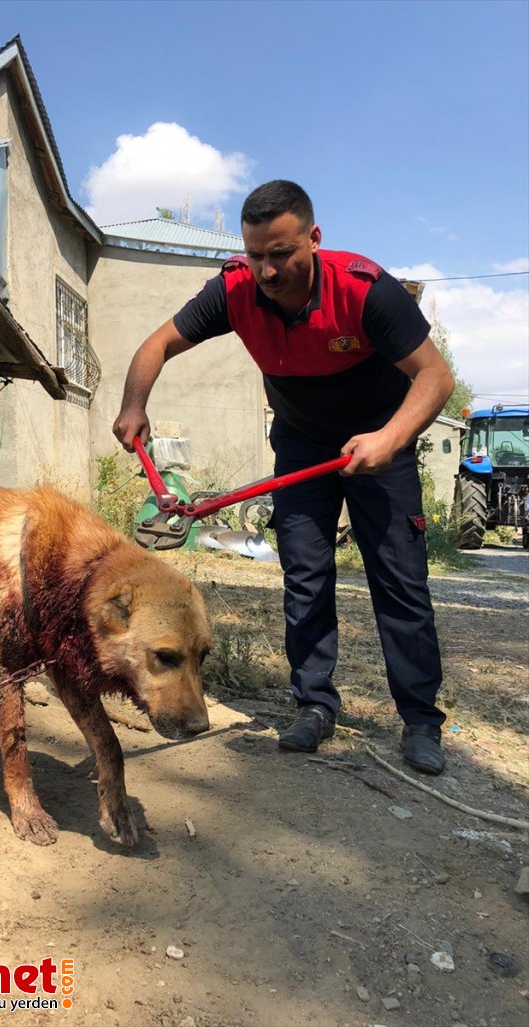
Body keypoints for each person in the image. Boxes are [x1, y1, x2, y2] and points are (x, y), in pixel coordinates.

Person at [113, 180, 455, 775]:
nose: (268, 270)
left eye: (281, 253)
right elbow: (156, 344)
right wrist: (133, 406)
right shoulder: (233, 292)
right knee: (304, 575)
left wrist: (389, 439)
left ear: (314, 239)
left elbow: (435, 377)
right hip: (302, 445)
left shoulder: (364, 289)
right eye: (256, 255)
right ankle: (314, 706)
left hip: (381, 440)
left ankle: (421, 721)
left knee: (399, 582)